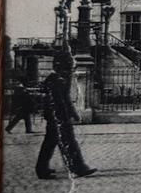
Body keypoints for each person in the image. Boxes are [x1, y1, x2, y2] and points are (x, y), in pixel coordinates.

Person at [36, 49, 96, 180]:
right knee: (68, 143)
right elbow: (57, 102)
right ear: (59, 66)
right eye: (67, 66)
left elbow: (66, 100)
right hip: (58, 118)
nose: (70, 69)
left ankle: (42, 169)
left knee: (51, 144)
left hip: (57, 117)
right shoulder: (55, 80)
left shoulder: (57, 79)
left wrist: (73, 114)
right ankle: (77, 168)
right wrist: (64, 117)